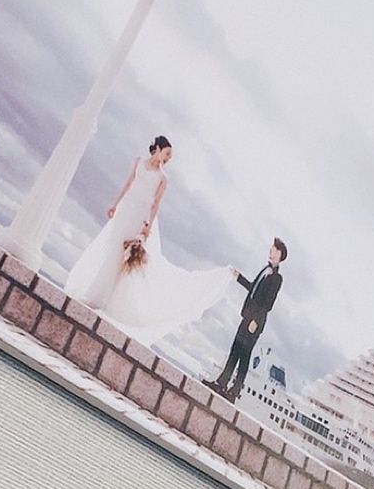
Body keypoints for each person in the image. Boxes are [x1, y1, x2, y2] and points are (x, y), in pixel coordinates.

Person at [63, 135, 233, 344]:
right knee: (111, 249)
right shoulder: (138, 162)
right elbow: (127, 185)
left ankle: (107, 301)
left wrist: (146, 229)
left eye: (170, 156)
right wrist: (115, 204)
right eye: (167, 153)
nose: (168, 158)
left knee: (126, 260)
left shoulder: (163, 178)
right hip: (126, 210)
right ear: (158, 149)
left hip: (140, 218)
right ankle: (95, 294)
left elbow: (156, 205)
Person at [207, 240, 287, 403]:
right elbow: (253, 289)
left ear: (279, 254)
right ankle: (222, 383)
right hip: (247, 317)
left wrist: (255, 320)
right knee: (235, 350)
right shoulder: (265, 270)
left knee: (244, 355)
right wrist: (239, 277)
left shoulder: (277, 277)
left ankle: (234, 391)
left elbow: (268, 303)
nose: (270, 250)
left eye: (273, 249)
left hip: (255, 322)